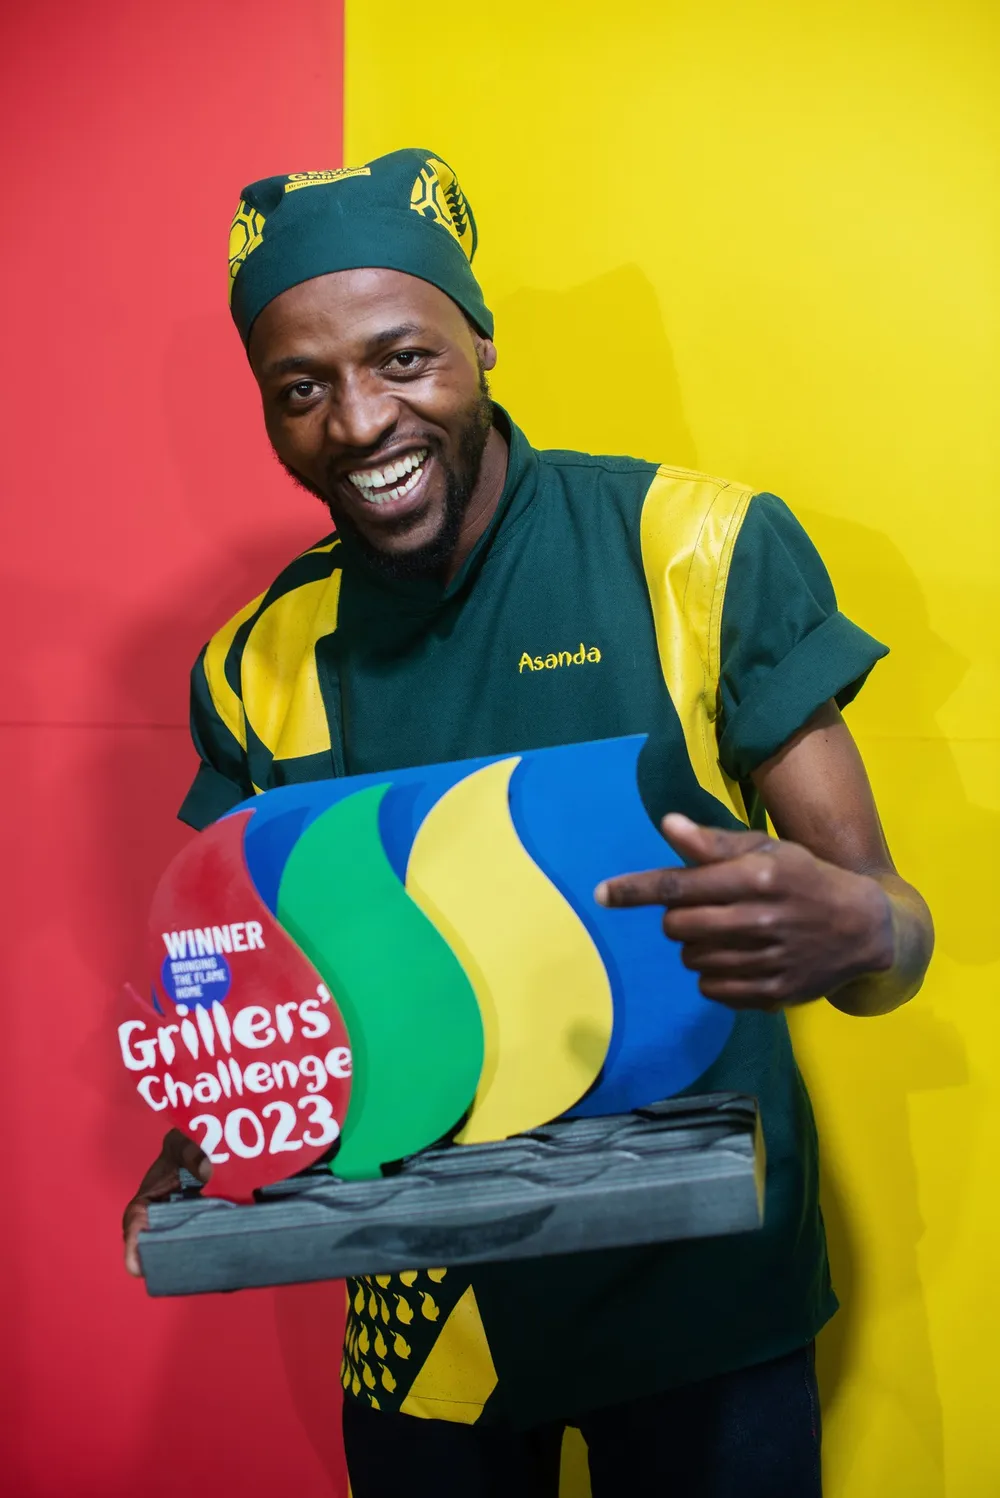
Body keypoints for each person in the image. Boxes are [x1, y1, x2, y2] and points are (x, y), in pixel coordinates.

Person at [123, 150, 933, 1497]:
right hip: (427, 1320)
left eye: (403, 359)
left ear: (482, 339)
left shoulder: (694, 548)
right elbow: (262, 989)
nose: (358, 422)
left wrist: (856, 926)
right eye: (300, 389)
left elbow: (890, 946)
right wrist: (212, 1123)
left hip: (704, 1295)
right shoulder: (256, 661)